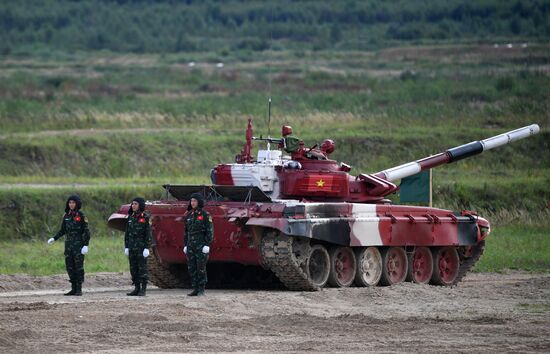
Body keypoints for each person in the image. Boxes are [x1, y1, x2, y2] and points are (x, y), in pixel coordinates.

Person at [47, 194, 90, 296]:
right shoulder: (66, 215)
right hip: (68, 245)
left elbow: (86, 231)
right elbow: (63, 230)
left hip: (78, 245)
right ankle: (73, 288)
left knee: (78, 267)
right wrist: (54, 238)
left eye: (73, 202)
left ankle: (79, 289)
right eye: (70, 202)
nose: (71, 204)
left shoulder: (81, 215)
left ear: (77, 204)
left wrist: (86, 245)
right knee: (69, 266)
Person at [183, 193, 213, 296]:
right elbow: (186, 231)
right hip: (191, 245)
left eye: (195, 201)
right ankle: (195, 287)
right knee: (192, 267)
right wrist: (185, 245)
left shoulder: (205, 215)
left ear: (199, 202)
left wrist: (207, 244)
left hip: (201, 245)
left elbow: (209, 231)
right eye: (191, 201)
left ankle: (201, 288)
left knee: (200, 267)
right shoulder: (189, 215)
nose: (192, 203)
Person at [124, 197, 152, 296]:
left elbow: (148, 234)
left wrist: (146, 247)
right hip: (132, 247)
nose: (133, 206)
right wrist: (126, 246)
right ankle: (136, 287)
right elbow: (127, 233)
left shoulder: (145, 217)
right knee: (133, 268)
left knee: (142, 268)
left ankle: (143, 289)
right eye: (132, 204)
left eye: (135, 204)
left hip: (141, 247)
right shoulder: (130, 217)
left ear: (140, 205)